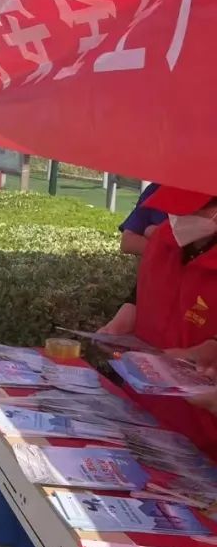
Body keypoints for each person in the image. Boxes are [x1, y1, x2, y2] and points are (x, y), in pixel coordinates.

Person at [99, 185, 217, 453]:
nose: (178, 218)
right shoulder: (164, 238)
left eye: (191, 210)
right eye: (174, 209)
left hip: (201, 438)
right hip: (140, 412)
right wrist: (125, 315)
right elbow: (147, 287)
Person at [119, 182, 167, 256]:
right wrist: (168, 251)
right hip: (164, 259)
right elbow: (127, 241)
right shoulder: (155, 190)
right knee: (151, 231)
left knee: (151, 231)